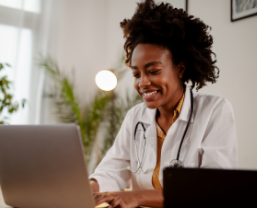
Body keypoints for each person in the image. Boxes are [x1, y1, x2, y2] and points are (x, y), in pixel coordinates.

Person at [90, 0, 238, 207]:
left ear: (180, 68)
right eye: (136, 74)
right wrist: (89, 188)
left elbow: (212, 189)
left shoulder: (215, 110)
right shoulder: (135, 116)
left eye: (153, 71)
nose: (142, 83)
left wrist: (138, 196)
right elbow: (111, 170)